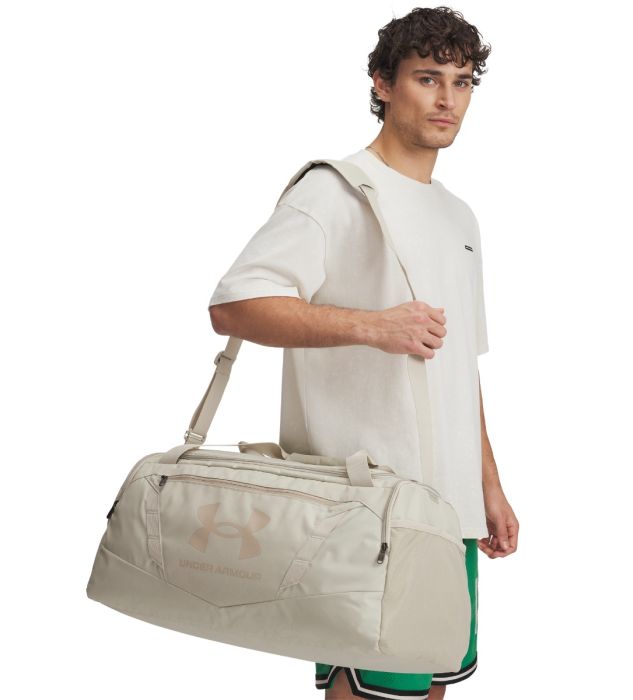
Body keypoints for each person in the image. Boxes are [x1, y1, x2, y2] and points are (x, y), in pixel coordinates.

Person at [207, 6, 519, 699]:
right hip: (367, 509)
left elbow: (459, 367)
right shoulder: (335, 190)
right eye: (427, 78)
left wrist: (488, 487)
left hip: (447, 511)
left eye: (463, 82)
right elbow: (234, 304)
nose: (447, 99)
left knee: (430, 688)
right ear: (382, 82)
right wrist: (372, 327)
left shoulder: (459, 215)